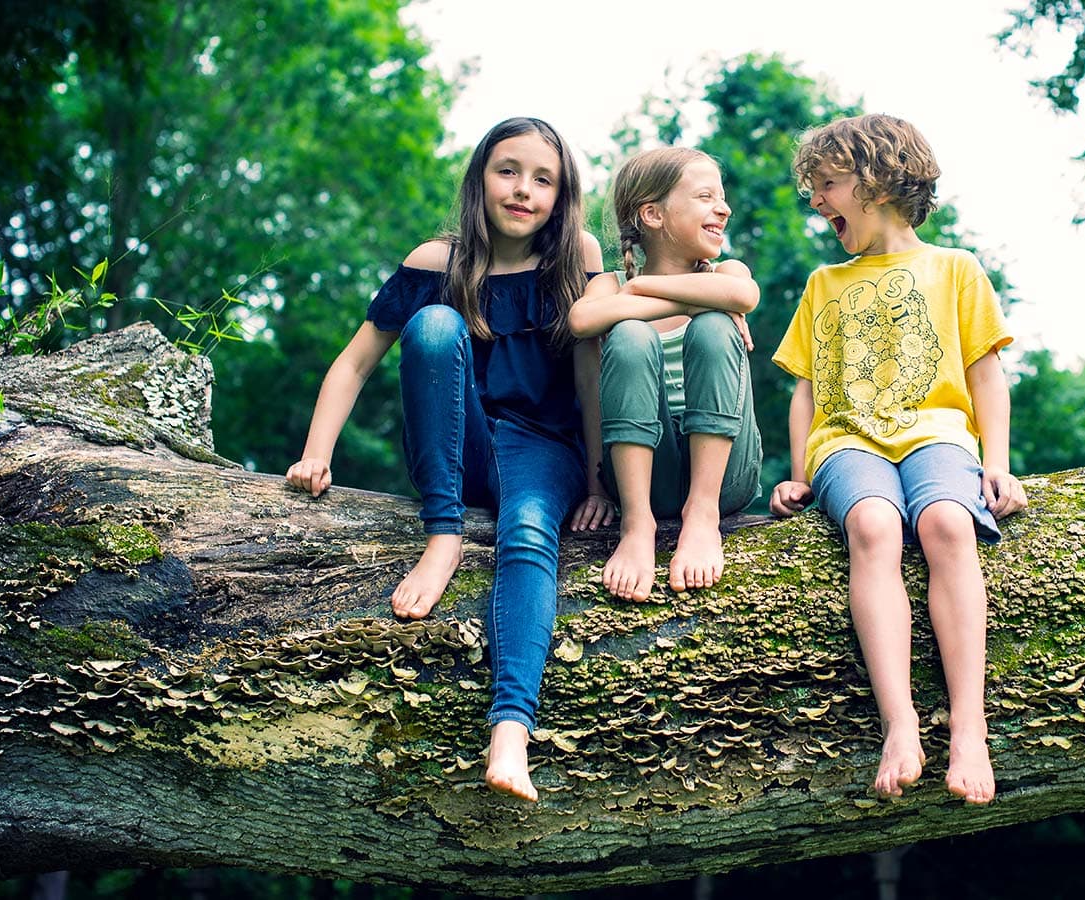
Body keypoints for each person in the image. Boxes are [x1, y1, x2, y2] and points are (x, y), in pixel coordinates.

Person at [284, 116, 612, 802]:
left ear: (562, 194)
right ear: (480, 178)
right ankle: (444, 536)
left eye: (542, 179)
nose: (523, 189)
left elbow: (592, 375)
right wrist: (316, 455)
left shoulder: (576, 255)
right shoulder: (437, 261)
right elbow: (353, 364)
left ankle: (511, 735)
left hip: (544, 451)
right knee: (433, 325)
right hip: (460, 446)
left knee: (527, 532)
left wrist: (599, 480)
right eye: (508, 170)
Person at [768, 114, 1027, 804]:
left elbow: (985, 376)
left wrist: (996, 463)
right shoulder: (824, 283)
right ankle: (901, 724)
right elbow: (805, 392)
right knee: (876, 528)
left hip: (937, 432)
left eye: (825, 186)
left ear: (876, 181)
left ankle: (969, 728)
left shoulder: (956, 269)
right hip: (847, 442)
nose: (817, 201)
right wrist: (797, 473)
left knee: (946, 522)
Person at [566, 147, 763, 602]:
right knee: (631, 334)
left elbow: (743, 294)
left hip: (726, 476)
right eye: (705, 196)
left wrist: (643, 287)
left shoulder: (724, 272)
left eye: (723, 196)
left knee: (714, 326)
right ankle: (637, 527)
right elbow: (580, 322)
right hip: (642, 475)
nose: (724, 207)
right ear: (653, 214)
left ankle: (701, 516)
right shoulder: (609, 285)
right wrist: (597, 487)